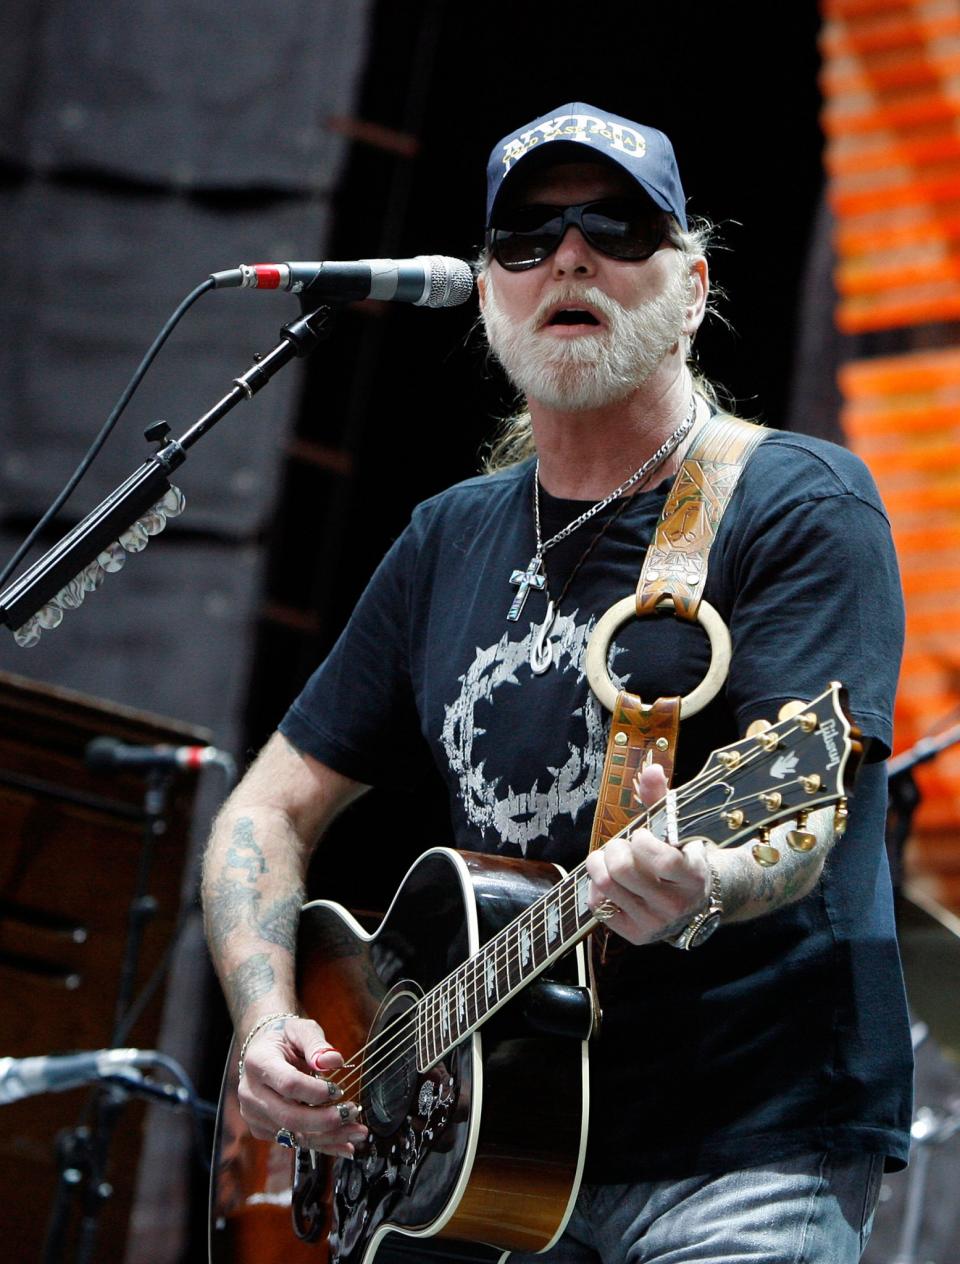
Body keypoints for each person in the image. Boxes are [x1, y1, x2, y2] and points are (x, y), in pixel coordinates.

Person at [202, 103, 913, 1262]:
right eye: (527, 239)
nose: (569, 256)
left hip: (740, 1149)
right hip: (474, 1162)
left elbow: (805, 802)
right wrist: (270, 1015)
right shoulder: (447, 538)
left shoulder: (797, 503)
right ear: (488, 293)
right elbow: (265, 809)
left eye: (615, 228)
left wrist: (711, 874)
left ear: (691, 286)